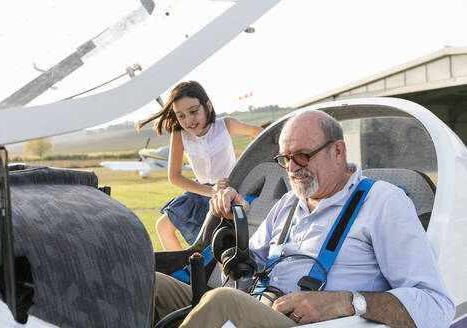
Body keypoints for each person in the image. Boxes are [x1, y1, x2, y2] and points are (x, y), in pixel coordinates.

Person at [153, 109, 455, 327]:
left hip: (312, 323)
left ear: (338, 151)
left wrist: (345, 301)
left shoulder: (384, 202)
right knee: (151, 284)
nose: (292, 168)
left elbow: (434, 305)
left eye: (302, 156)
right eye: (285, 159)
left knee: (223, 303)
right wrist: (230, 227)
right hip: (261, 308)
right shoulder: (287, 204)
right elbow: (245, 268)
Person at [137, 81, 262, 250]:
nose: (188, 120)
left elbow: (258, 133)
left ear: (208, 106)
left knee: (220, 240)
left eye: (193, 111)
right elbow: (174, 176)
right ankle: (182, 270)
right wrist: (210, 191)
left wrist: (247, 164)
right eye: (181, 115)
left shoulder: (226, 125)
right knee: (163, 226)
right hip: (200, 190)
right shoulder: (180, 134)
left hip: (229, 191)